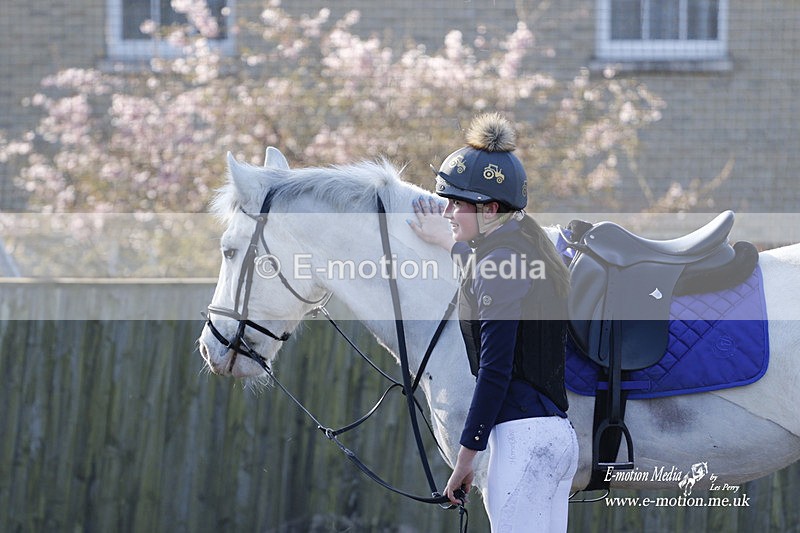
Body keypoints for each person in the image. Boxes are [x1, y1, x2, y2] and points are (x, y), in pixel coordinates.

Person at [408, 113, 579, 532]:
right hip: (555, 439)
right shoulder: (522, 249)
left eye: (457, 204)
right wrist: (448, 241)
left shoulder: (499, 263)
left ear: (490, 209)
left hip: (523, 444)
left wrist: (465, 459)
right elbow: (485, 271)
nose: (447, 211)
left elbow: (495, 371)